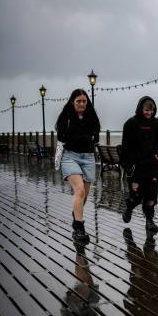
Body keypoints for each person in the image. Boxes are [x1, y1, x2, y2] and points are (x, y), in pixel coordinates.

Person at [56, 89, 100, 242]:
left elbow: (96, 135)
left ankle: (76, 216)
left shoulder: (91, 116)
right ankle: (79, 228)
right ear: (72, 102)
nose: (82, 104)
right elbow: (62, 136)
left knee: (84, 196)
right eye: (78, 101)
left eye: (84, 101)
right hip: (70, 156)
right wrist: (83, 137)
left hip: (88, 157)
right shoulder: (66, 117)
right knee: (79, 191)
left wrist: (78, 137)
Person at [120, 96, 158, 234]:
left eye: (151, 111)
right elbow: (125, 147)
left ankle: (149, 221)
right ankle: (129, 207)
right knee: (136, 196)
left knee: (151, 196)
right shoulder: (130, 124)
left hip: (152, 167)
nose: (149, 113)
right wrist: (127, 166)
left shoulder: (156, 124)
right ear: (140, 109)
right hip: (136, 167)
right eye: (146, 110)